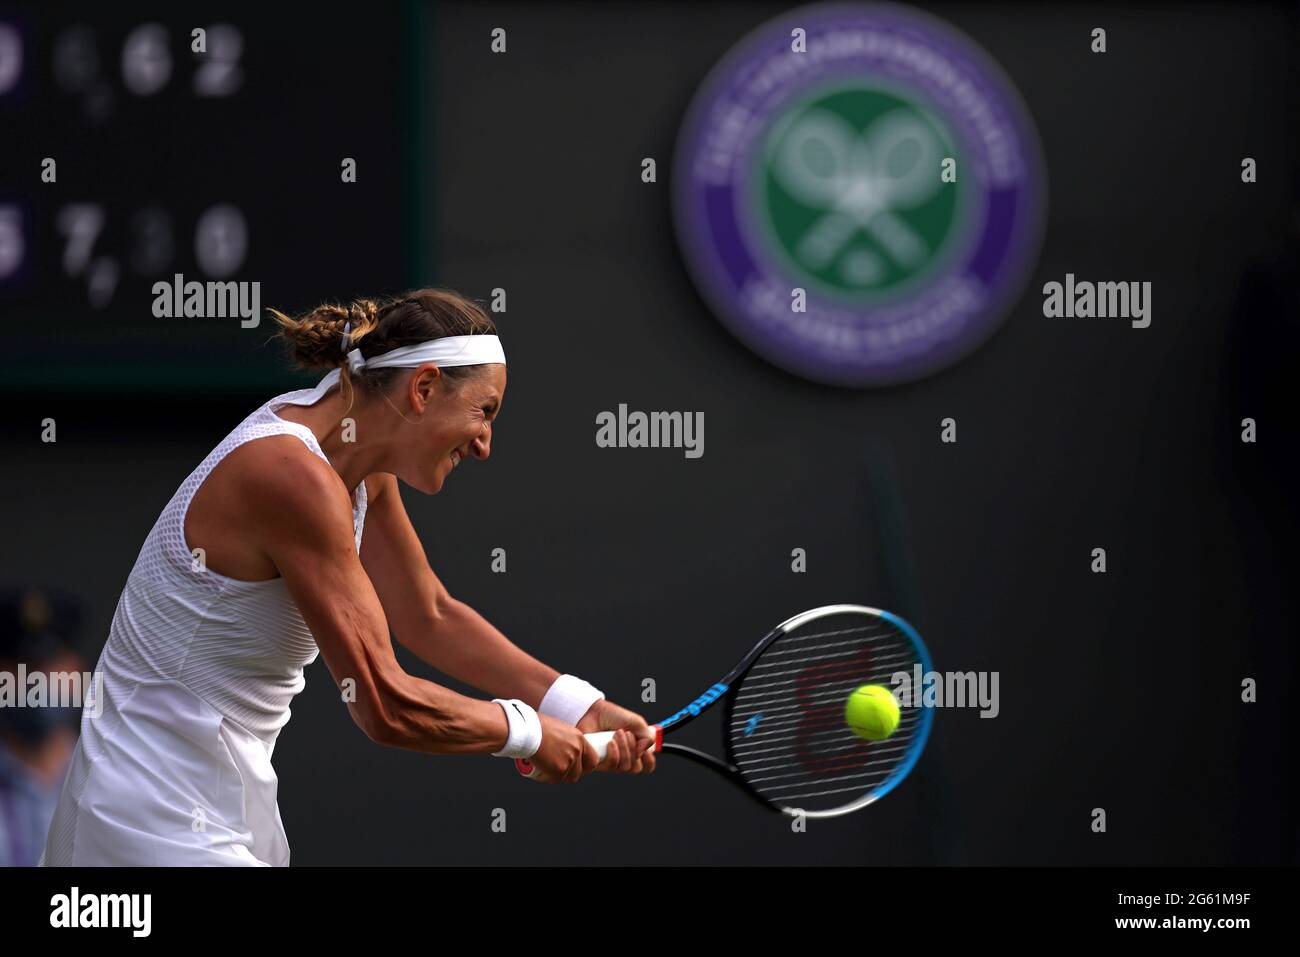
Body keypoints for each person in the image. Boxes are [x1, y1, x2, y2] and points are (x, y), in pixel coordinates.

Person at [42, 289, 655, 866]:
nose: (485, 444)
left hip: (205, 809)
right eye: (484, 412)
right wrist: (527, 733)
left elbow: (428, 614)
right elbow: (384, 704)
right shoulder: (291, 474)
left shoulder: (356, 459)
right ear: (423, 388)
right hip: (145, 820)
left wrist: (578, 706)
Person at [0, 587, 85, 866]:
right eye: (20, 666)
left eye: (47, 666)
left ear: (76, 671)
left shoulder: (113, 776)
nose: (33, 682)